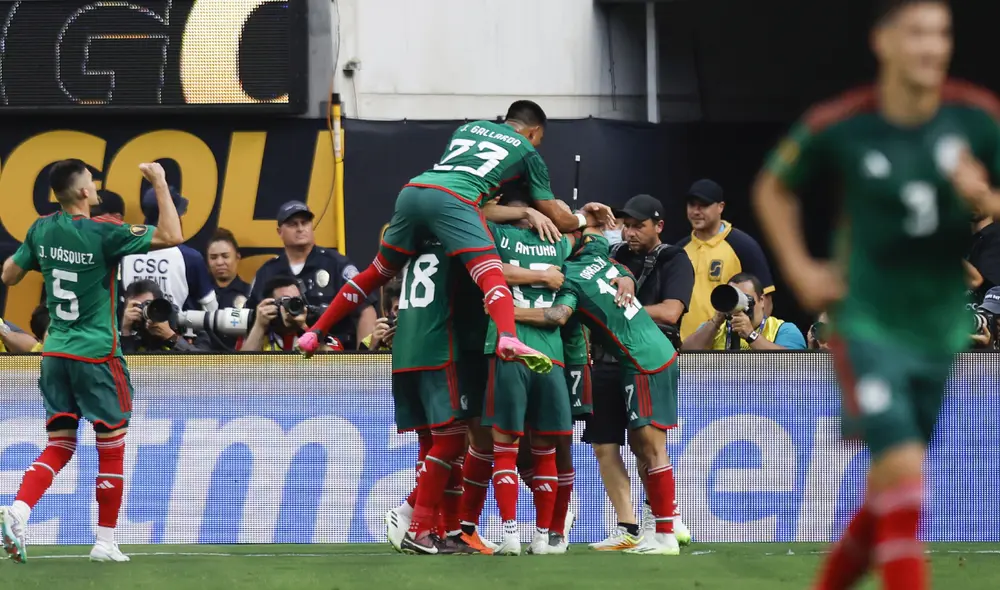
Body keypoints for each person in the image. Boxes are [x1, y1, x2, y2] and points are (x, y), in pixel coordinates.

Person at [752, 1, 1000, 587]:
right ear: (883, 41)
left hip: (936, 329)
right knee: (905, 472)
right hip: (866, 324)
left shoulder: (975, 117)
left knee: (891, 486)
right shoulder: (845, 122)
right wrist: (800, 269)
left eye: (941, 33)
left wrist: (986, 198)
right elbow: (772, 187)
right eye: (917, 33)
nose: (932, 47)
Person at [298, 100, 614, 371]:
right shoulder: (528, 153)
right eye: (539, 140)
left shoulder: (469, 128)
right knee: (490, 271)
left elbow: (468, 179)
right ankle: (508, 337)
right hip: (455, 201)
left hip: (414, 190)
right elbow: (558, 218)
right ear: (533, 132)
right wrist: (586, 217)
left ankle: (315, 332)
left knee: (376, 272)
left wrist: (519, 210)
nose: (537, 145)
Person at [0, 159, 182, 563]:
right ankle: (105, 542)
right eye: (92, 181)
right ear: (83, 191)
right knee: (111, 446)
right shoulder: (104, 232)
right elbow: (172, 234)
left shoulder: (41, 229)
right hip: (97, 353)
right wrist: (159, 182)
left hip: (54, 353)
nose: (96, 186)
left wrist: (41, 255)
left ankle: (19, 511)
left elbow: (9, 275)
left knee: (60, 444)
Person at [515, 228, 682, 556]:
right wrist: (624, 274)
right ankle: (658, 529)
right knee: (642, 445)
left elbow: (557, 315)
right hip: (653, 351)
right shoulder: (597, 255)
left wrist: (508, 311)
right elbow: (599, 240)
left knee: (651, 448)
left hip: (642, 359)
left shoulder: (568, 280)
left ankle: (665, 533)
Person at [587, 194, 694, 549]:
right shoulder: (612, 256)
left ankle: (662, 518)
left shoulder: (674, 258)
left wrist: (622, 311)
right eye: (626, 226)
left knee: (646, 442)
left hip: (647, 358)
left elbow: (671, 312)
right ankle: (628, 527)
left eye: (638, 226)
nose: (630, 233)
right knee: (604, 445)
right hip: (607, 358)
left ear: (659, 226)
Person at [248, 201, 376, 350]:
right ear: (279, 231)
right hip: (279, 354)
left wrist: (364, 356)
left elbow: (366, 310)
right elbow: (249, 318)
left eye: (305, 222)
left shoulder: (336, 264)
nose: (300, 228)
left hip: (332, 353)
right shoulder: (267, 271)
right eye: (293, 224)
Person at [676, 179, 775, 341]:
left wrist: (751, 341)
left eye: (704, 205)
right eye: (692, 205)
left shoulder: (743, 245)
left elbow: (765, 301)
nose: (696, 211)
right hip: (687, 345)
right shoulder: (679, 250)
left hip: (728, 346)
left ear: (720, 207)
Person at [121, 186, 218, 314]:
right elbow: (211, 308)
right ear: (173, 214)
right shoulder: (189, 257)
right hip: (176, 326)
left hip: (132, 325)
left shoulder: (125, 254)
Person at [682, 273, 807, 351]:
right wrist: (715, 322)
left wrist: (751, 335)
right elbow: (684, 355)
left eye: (746, 298)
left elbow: (794, 365)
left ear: (761, 300)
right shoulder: (714, 329)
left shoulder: (784, 329)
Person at [241, 276, 342, 352]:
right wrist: (260, 326)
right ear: (270, 305)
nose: (294, 305)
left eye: (297, 300)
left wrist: (304, 327)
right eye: (286, 301)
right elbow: (241, 368)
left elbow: (337, 364)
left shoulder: (318, 330)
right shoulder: (254, 330)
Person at [120, 280, 211, 352]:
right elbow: (123, 366)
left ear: (160, 304)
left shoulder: (187, 327)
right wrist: (126, 332)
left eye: (148, 305)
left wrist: (171, 337)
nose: (144, 311)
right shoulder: (130, 336)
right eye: (137, 307)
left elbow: (205, 364)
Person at [206, 228, 251, 350]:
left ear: (237, 257)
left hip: (238, 359)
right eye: (213, 257)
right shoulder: (198, 294)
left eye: (225, 256)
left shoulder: (250, 294)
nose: (220, 262)